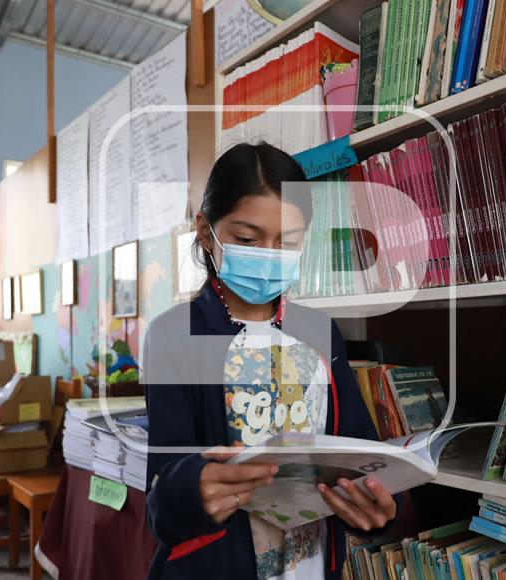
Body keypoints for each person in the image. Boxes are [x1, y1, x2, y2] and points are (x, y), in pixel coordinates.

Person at [143, 143, 397, 580]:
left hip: (313, 565)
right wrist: (193, 491)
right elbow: (161, 499)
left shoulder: (320, 331)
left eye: (288, 242)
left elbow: (361, 451)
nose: (268, 254)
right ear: (206, 232)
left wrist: (380, 501)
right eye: (247, 239)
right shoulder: (173, 334)